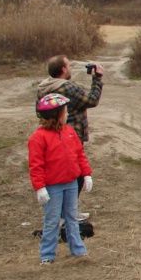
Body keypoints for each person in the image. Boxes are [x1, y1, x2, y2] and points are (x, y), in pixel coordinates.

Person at [28, 93, 93, 265]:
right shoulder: (38, 137)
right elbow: (36, 165)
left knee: (72, 217)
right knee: (52, 220)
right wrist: (40, 187)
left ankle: (78, 249)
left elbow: (80, 155)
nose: (67, 114)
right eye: (64, 112)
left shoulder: (69, 132)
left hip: (71, 183)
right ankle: (47, 255)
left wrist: (86, 174)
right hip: (52, 187)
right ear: (56, 115)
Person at [37, 55, 103, 219]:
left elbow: (39, 111)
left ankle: (63, 211)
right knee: (76, 173)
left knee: (58, 172)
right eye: (68, 65)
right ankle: (68, 212)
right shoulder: (66, 87)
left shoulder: (43, 87)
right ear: (63, 69)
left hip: (51, 135)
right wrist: (97, 78)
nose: (70, 68)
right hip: (70, 135)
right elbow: (92, 100)